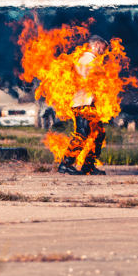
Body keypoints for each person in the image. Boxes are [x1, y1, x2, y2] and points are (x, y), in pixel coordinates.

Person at [58, 35, 108, 176]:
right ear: (96, 44)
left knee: (98, 134)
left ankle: (88, 167)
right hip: (82, 104)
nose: (105, 50)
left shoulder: (89, 60)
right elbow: (91, 79)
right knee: (82, 135)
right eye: (104, 46)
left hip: (88, 104)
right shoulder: (87, 59)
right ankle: (66, 164)